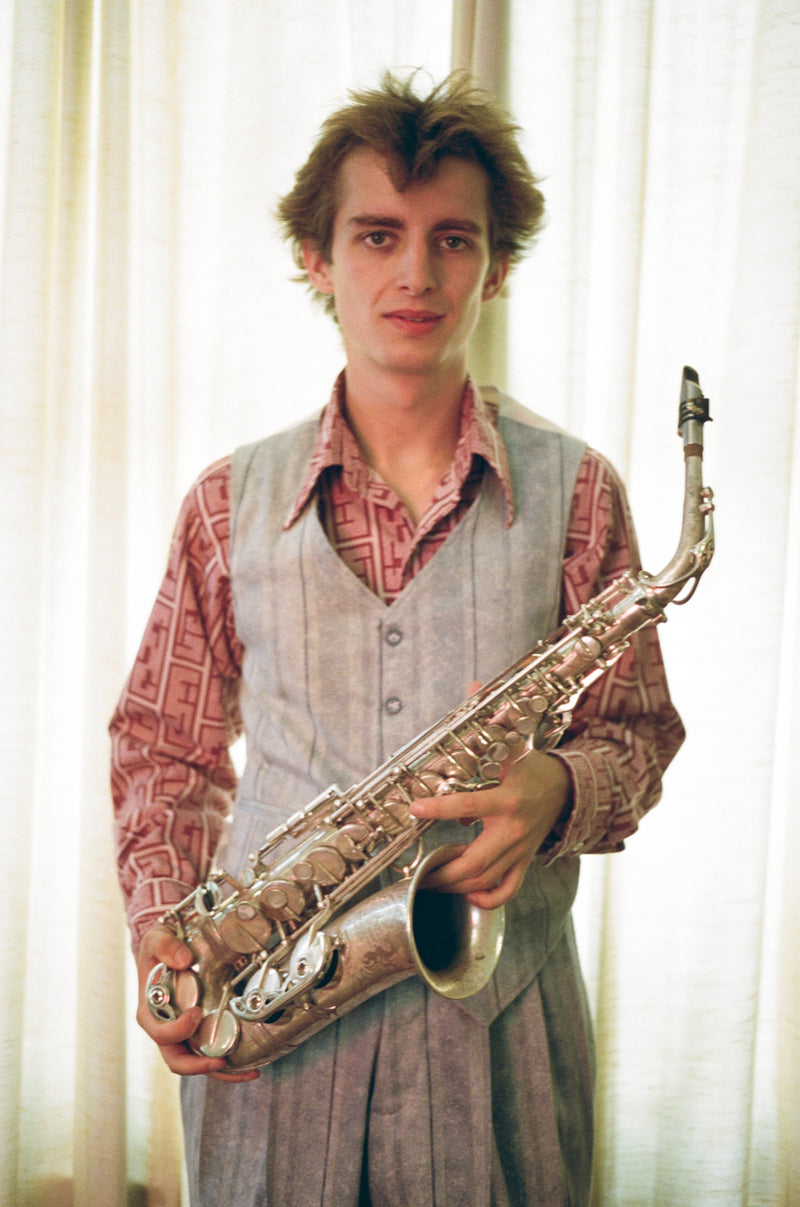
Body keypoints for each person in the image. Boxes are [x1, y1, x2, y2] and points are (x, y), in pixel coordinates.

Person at [110, 72, 685, 1207]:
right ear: (317, 261)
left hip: (498, 1037)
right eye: (376, 236)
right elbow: (159, 748)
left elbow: (636, 732)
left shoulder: (578, 494)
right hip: (269, 1042)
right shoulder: (226, 504)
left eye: (450, 240)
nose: (414, 274)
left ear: (496, 264)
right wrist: (162, 943)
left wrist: (554, 789)